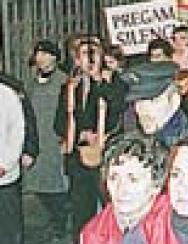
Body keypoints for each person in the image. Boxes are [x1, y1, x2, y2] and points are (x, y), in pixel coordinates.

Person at [54, 36, 126, 237]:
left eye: (95, 54)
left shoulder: (112, 82)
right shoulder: (70, 88)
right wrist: (78, 134)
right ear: (77, 60)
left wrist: (99, 81)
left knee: (111, 208)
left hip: (106, 157)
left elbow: (117, 106)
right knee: (81, 212)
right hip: (79, 158)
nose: (90, 60)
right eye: (85, 54)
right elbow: (59, 122)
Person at [79, 133, 168, 243]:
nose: (121, 189)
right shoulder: (93, 234)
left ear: (156, 185)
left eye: (133, 179)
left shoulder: (174, 225)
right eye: (114, 178)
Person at [25, 40, 69, 240]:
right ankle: (55, 220)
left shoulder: (64, 81)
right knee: (38, 185)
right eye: (38, 54)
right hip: (37, 140)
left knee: (57, 184)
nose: (40, 58)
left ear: (55, 57)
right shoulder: (31, 83)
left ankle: (61, 224)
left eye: (45, 54)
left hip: (55, 140)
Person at [122, 61, 188, 147]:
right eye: (139, 102)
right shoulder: (132, 139)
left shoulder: (176, 100)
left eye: (153, 101)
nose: (144, 112)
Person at [0, 75, 25, 244]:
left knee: (8, 230)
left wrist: (4, 165)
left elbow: (17, 133)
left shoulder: (7, 95)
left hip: (5, 178)